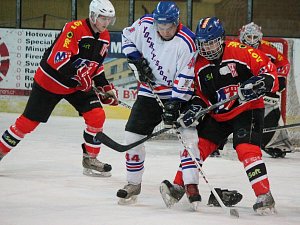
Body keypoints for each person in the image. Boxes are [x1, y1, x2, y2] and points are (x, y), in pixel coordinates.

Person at [161, 17, 278, 215]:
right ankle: (179, 186)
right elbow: (202, 97)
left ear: (221, 39)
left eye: (212, 42)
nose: (207, 48)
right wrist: (194, 110)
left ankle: (264, 195)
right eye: (203, 43)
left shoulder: (241, 51)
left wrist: (259, 84)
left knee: (246, 148)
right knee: (198, 146)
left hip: (246, 109)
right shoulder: (198, 65)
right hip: (220, 113)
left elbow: (269, 71)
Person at [0, 0, 118, 177]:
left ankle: (90, 159)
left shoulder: (105, 37)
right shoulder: (74, 29)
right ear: (93, 15)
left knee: (97, 115)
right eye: (103, 18)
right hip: (50, 82)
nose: (106, 23)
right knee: (27, 124)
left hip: (76, 86)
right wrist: (80, 75)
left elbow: (96, 66)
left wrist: (105, 87)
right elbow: (58, 59)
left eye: (109, 19)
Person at [116, 1, 197, 204]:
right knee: (132, 135)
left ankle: (191, 185)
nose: (165, 31)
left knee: (190, 139)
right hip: (150, 91)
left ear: (177, 22)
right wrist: (135, 59)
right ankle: (133, 183)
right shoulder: (144, 25)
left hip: (178, 94)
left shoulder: (187, 42)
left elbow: (185, 76)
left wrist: (175, 103)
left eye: (169, 27)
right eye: (161, 27)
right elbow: (126, 36)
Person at [239, 22, 294, 158]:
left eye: (254, 37)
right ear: (242, 36)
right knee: (225, 109)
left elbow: (283, 63)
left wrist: (280, 78)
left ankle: (275, 143)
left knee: (271, 106)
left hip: (260, 87)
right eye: (248, 37)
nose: (251, 41)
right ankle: (216, 142)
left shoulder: (268, 48)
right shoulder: (234, 47)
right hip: (239, 86)